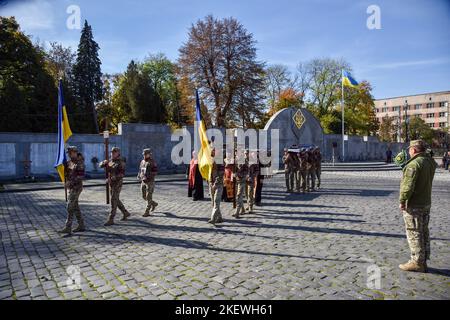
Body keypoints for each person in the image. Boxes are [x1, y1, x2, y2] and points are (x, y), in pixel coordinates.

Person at [399, 140, 437, 272]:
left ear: (414, 150)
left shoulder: (414, 164)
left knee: (414, 232)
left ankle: (416, 262)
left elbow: (407, 186)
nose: (409, 152)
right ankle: (423, 259)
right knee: (423, 231)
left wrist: (402, 200)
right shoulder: (429, 162)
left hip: (415, 204)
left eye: (410, 149)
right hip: (426, 202)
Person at [100, 147, 131, 226]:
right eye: (112, 152)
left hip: (117, 183)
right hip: (111, 183)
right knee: (116, 199)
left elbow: (122, 173)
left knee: (113, 200)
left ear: (118, 153)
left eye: (114, 152)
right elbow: (101, 166)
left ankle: (111, 219)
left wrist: (115, 177)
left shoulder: (121, 162)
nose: (112, 153)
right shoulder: (111, 161)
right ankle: (125, 212)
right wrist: (104, 163)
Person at [59, 146, 86, 235]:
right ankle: (81, 225)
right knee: (75, 207)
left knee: (69, 206)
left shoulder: (80, 163)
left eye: (71, 153)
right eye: (68, 153)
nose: (69, 155)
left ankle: (68, 227)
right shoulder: (69, 162)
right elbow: (67, 174)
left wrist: (70, 182)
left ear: (75, 152)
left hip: (77, 187)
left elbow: (81, 176)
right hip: (71, 187)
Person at [138, 149, 158, 217]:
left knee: (148, 196)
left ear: (149, 154)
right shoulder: (142, 161)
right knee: (144, 196)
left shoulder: (152, 162)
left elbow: (155, 172)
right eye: (144, 154)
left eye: (146, 154)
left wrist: (148, 175)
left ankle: (147, 211)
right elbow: (140, 170)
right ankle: (153, 203)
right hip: (143, 181)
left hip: (150, 181)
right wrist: (139, 175)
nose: (144, 155)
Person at [208, 148, 225, 225]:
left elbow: (221, 175)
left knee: (216, 201)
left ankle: (213, 218)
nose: (213, 151)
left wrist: (215, 183)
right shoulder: (210, 161)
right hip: (211, 184)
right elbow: (208, 173)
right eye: (213, 150)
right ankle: (220, 218)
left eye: (215, 150)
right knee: (213, 203)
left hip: (218, 184)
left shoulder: (220, 162)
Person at [233, 149, 249, 219]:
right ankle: (242, 209)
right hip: (236, 180)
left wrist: (240, 174)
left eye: (237, 151)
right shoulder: (235, 160)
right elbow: (233, 169)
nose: (236, 153)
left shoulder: (244, 160)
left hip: (242, 180)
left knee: (239, 195)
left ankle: (237, 212)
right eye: (236, 152)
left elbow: (247, 171)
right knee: (238, 195)